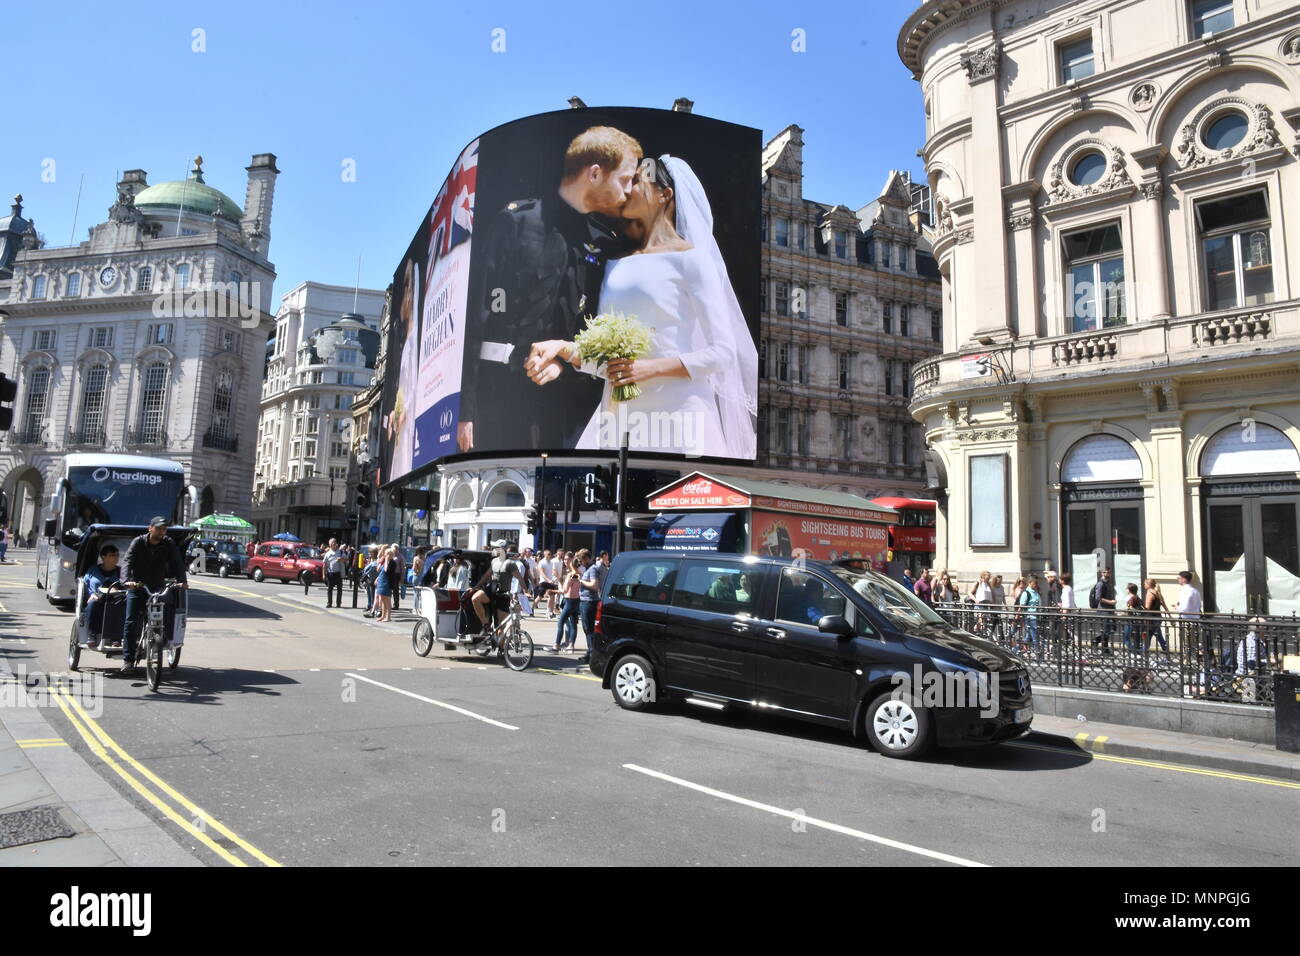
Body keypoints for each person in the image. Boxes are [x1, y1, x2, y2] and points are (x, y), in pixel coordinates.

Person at [527, 154, 759, 459]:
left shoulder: (693, 260)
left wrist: (648, 369)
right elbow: (614, 366)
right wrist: (564, 348)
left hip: (678, 419)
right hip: (619, 419)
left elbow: (723, 354)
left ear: (665, 195)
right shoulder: (614, 265)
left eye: (637, 181)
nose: (626, 189)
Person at [460, 126, 641, 453]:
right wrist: (466, 411)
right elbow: (477, 317)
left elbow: (594, 328)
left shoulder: (605, 243)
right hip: (501, 401)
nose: (629, 191)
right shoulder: (515, 222)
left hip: (567, 410)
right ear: (595, 173)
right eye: (625, 179)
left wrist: (563, 364)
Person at [120, 517, 187, 676]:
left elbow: (177, 562)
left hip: (157, 586)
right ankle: (128, 660)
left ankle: (165, 638)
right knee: (131, 621)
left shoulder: (168, 543)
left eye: (164, 529)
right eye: (158, 529)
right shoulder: (138, 542)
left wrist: (182, 582)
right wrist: (126, 581)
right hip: (138, 586)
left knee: (169, 603)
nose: (161, 532)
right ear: (150, 528)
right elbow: (127, 561)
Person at [472, 541, 528, 638]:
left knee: (501, 626)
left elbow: (519, 578)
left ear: (502, 550)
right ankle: (486, 625)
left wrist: (526, 592)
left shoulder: (510, 563)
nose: (493, 549)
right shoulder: (494, 561)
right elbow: (487, 575)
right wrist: (477, 586)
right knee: (475, 599)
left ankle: (501, 650)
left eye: (495, 548)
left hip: (503, 594)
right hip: (492, 590)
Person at [80, 543, 121, 649]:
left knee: (120, 606)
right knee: (93, 604)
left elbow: (125, 586)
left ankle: (116, 638)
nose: (115, 558)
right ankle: (92, 635)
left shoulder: (120, 572)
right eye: (112, 555)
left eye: (117, 555)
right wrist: (91, 594)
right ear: (103, 557)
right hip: (97, 598)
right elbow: (85, 584)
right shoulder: (93, 571)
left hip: (115, 599)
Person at [577, 548, 607, 665]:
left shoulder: (593, 569)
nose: (580, 562)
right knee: (588, 629)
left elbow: (594, 585)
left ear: (587, 558)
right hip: (587, 601)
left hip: (589, 601)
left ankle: (592, 654)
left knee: (589, 629)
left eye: (581, 560)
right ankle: (590, 652)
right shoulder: (588, 568)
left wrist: (581, 581)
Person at [553, 555, 583, 652]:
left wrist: (556, 591)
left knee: (561, 622)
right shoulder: (580, 575)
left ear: (571, 564)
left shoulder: (570, 575)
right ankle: (571, 645)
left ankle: (556, 645)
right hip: (577, 600)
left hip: (569, 600)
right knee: (574, 624)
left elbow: (564, 590)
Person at [1088, 568, 1117, 655]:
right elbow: (1098, 598)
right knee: (1107, 629)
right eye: (1105, 572)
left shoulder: (1109, 583)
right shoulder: (1100, 584)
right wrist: (1110, 602)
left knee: (1111, 629)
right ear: (1101, 573)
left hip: (1110, 609)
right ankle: (1101, 646)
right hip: (1104, 610)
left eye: (1108, 572)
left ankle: (1101, 646)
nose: (1107, 573)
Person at [1015, 574, 1042, 656]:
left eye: (1037, 583)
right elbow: (1021, 606)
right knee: (1034, 636)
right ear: (1030, 583)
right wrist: (1017, 616)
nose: (1037, 584)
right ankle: (1038, 654)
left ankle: (1016, 650)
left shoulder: (1036, 592)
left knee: (1028, 636)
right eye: (1035, 583)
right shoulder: (1026, 593)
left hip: (1036, 617)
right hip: (1030, 617)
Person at [1142, 577, 1170, 656]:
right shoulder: (1158, 593)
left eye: (1145, 584)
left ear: (1148, 584)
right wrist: (1170, 617)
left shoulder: (1150, 593)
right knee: (1158, 636)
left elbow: (1147, 607)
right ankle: (1166, 653)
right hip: (1158, 618)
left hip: (1151, 619)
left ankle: (1144, 655)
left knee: (1148, 637)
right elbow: (1165, 606)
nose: (1144, 585)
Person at [373, 546, 394, 623]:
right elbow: (378, 569)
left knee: (387, 599)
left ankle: (388, 617)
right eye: (385, 554)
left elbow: (386, 570)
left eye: (388, 554)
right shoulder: (384, 561)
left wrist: (387, 561)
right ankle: (383, 615)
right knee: (381, 599)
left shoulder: (392, 562)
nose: (386, 555)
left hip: (387, 582)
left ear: (391, 555)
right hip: (381, 581)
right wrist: (382, 560)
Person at [323, 538, 345, 609]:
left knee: (339, 589)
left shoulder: (340, 552)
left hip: (338, 573)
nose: (333, 543)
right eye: (332, 542)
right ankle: (329, 603)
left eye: (334, 542)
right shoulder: (327, 553)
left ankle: (338, 603)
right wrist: (323, 574)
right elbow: (324, 564)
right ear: (329, 544)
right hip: (330, 573)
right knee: (329, 589)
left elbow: (346, 559)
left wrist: (341, 559)